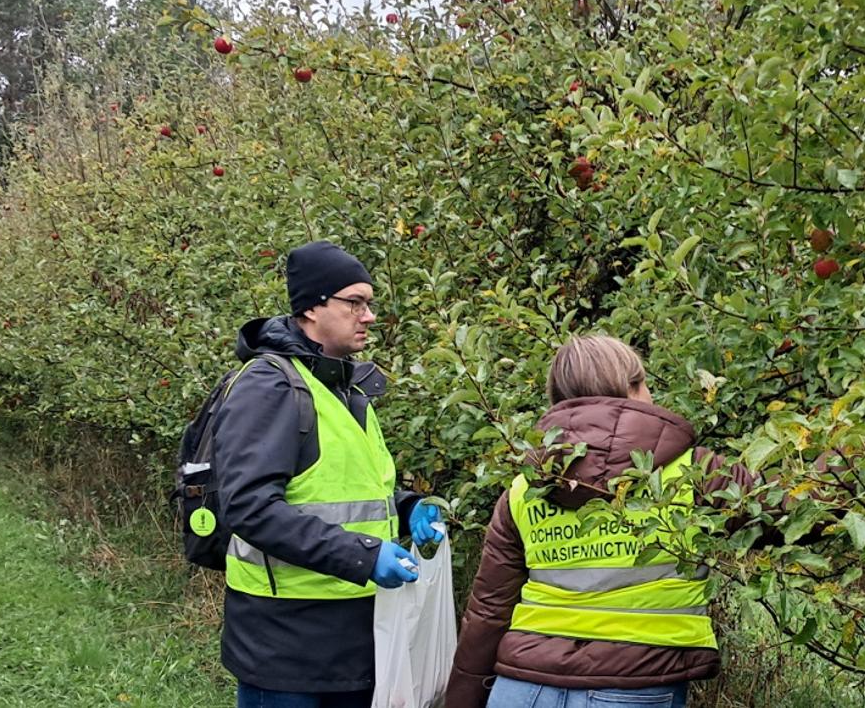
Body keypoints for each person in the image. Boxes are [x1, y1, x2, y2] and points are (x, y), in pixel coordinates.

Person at [447, 334, 752, 708]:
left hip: (521, 689)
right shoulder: (697, 474)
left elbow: (488, 612)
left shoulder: (524, 489)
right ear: (633, 387)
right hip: (632, 686)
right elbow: (796, 505)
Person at [212, 240, 446, 707]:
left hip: (353, 643)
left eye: (369, 303)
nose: (369, 316)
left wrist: (407, 508)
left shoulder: (345, 389)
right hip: (284, 647)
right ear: (311, 308)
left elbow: (351, 492)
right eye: (354, 302)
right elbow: (248, 507)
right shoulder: (270, 386)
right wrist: (362, 555)